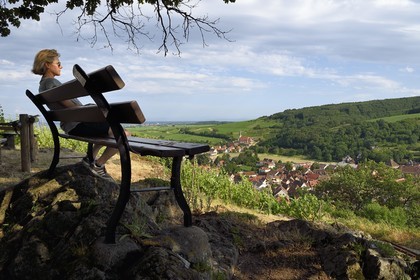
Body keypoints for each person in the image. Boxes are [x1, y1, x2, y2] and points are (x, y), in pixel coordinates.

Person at [32, 49, 128, 181]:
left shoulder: (43, 85)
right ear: (47, 65)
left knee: (110, 129)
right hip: (78, 124)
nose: (61, 66)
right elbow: (70, 105)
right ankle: (99, 165)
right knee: (122, 133)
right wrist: (88, 110)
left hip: (73, 124)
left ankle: (90, 158)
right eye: (58, 63)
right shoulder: (50, 83)